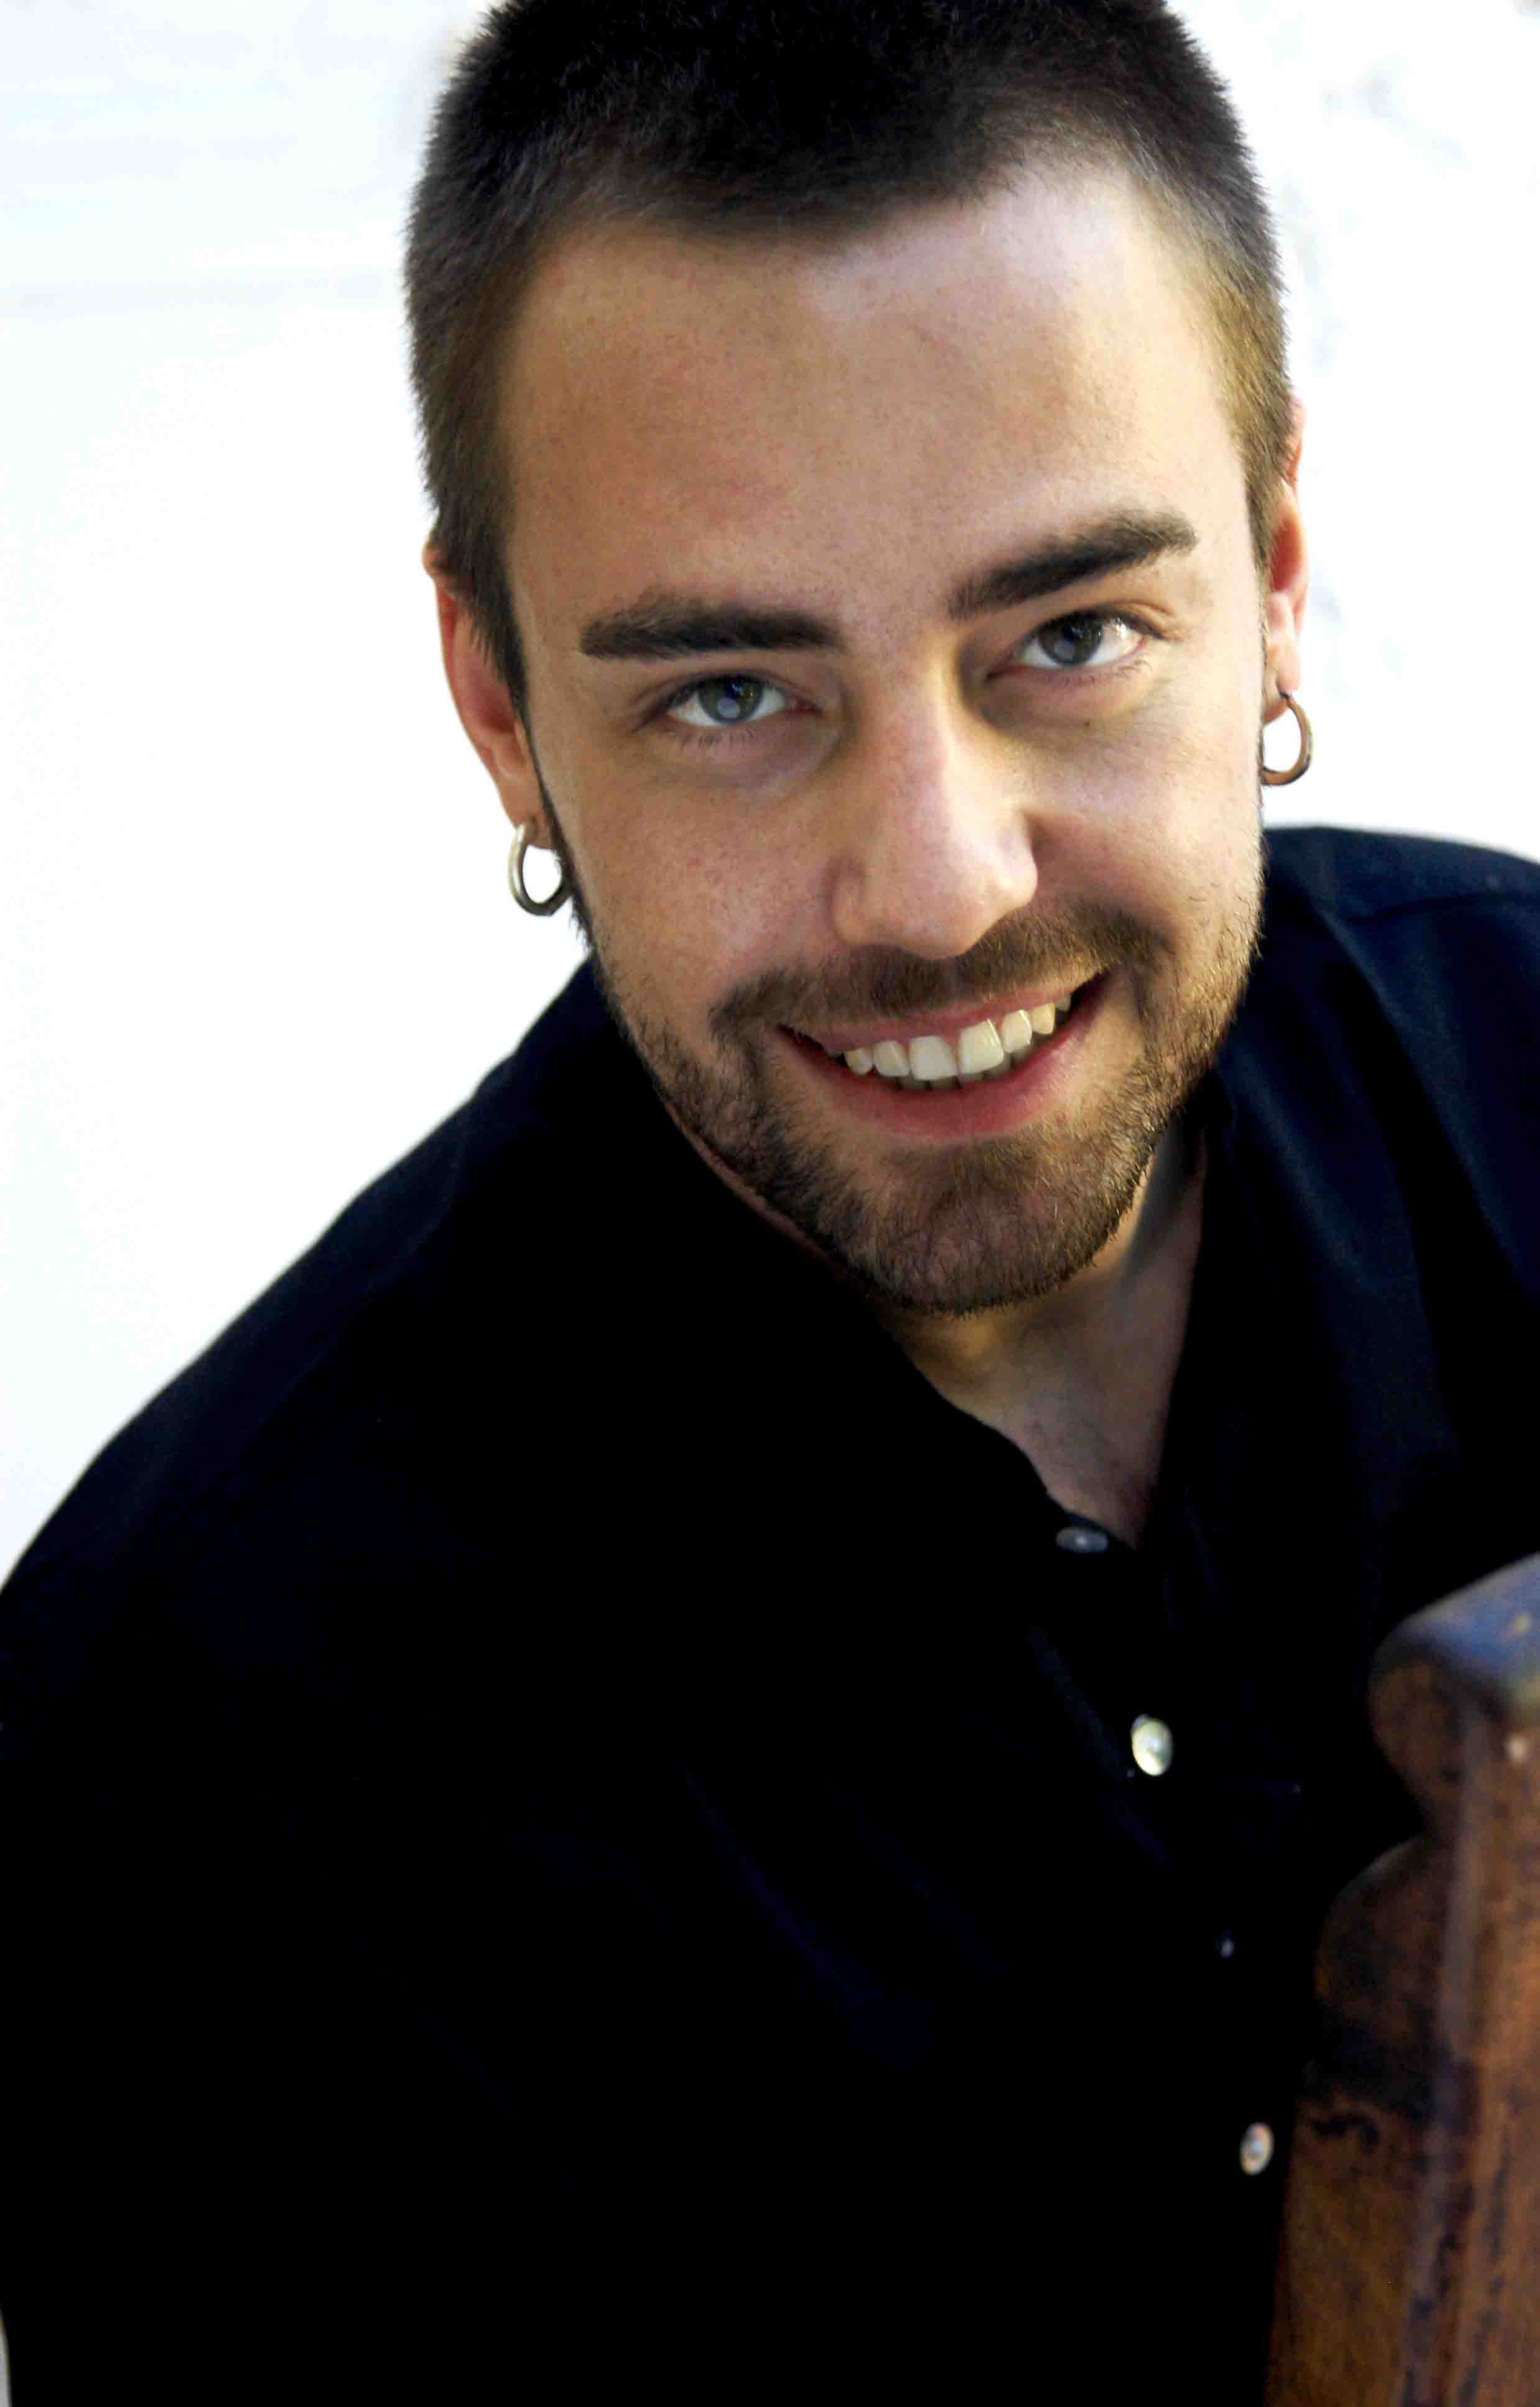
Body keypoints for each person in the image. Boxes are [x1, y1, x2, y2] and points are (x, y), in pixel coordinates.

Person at [3, 1, 1537, 2396]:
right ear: (500, 709)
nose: (939, 887)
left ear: (1272, 579)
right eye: (731, 692)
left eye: (1070, 638)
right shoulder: (200, 1758)